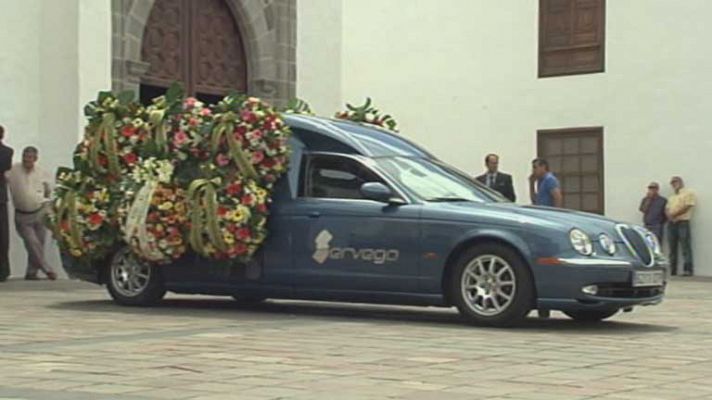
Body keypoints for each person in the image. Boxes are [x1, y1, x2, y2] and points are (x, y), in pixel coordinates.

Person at [6, 146, 56, 280]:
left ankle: (31, 272)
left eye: (29, 158)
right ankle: (47, 268)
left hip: (39, 212)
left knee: (39, 243)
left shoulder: (41, 172)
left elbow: (49, 189)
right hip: (22, 215)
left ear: (35, 159)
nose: (26, 160)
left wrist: (46, 203)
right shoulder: (13, 170)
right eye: (24, 157)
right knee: (32, 242)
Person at [665, 176, 696, 277]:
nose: (674, 184)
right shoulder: (671, 197)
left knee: (685, 246)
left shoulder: (688, 193)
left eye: (676, 182)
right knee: (672, 247)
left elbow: (687, 206)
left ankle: (688, 270)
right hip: (671, 223)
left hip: (683, 222)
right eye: (672, 183)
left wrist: (674, 215)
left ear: (681, 182)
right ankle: (673, 271)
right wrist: (670, 216)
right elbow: (667, 209)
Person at [0, 125, 13, 282]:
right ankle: (2, 270)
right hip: (1, 197)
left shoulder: (6, 152)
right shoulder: (7, 152)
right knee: (2, 235)